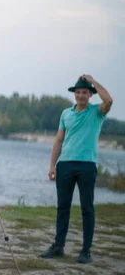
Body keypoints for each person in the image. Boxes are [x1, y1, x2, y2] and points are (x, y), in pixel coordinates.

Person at [40, 75, 112, 264]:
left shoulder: (97, 112)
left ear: (90, 94)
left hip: (86, 165)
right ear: (75, 94)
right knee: (62, 207)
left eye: (85, 92)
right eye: (78, 92)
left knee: (87, 208)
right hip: (65, 165)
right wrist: (52, 165)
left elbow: (109, 100)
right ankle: (58, 246)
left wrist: (94, 81)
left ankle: (86, 251)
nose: (81, 96)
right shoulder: (66, 114)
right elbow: (58, 139)